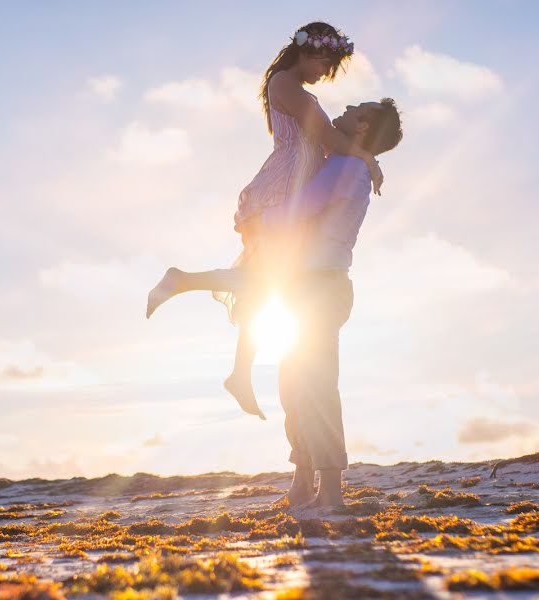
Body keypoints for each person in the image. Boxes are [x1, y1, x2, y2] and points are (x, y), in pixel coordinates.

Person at [146, 22, 382, 420]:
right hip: (284, 189)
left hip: (294, 186)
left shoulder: (293, 87)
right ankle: (182, 280)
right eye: (326, 64)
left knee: (263, 283)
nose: (325, 75)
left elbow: (325, 138)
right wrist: (368, 157)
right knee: (262, 280)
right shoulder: (285, 83)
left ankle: (239, 373)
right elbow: (326, 138)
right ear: (307, 52)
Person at [268, 99, 404, 508]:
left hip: (319, 286)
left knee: (315, 386)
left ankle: (330, 490)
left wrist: (255, 217)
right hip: (308, 283)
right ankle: (302, 481)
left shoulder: (345, 168)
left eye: (354, 108)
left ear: (361, 127)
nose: (343, 107)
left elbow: (303, 209)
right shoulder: (347, 162)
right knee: (295, 384)